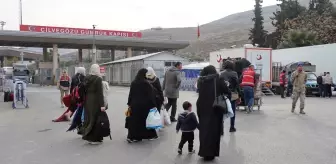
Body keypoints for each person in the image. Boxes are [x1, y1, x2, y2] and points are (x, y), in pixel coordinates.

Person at [196, 65, 230, 161]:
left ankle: (203, 151)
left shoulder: (201, 80)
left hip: (201, 107)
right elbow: (226, 91)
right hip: (214, 107)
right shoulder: (218, 79)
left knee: (204, 129)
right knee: (214, 130)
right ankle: (211, 153)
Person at [127, 68, 158, 143]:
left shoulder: (134, 82)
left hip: (134, 105)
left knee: (135, 121)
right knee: (146, 121)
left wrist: (129, 104)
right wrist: (154, 105)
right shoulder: (146, 83)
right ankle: (150, 135)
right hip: (145, 106)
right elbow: (151, 96)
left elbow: (131, 94)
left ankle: (133, 137)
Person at [81, 64, 106, 144]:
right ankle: (94, 138)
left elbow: (83, 90)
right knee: (95, 118)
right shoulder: (98, 79)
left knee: (88, 118)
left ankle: (88, 136)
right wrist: (102, 105)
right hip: (95, 100)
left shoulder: (86, 78)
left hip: (88, 100)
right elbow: (100, 93)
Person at [219, 60, 239, 133]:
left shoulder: (221, 74)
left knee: (222, 111)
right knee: (233, 110)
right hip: (233, 93)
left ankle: (221, 129)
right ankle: (232, 127)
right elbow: (237, 84)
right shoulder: (235, 73)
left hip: (223, 93)